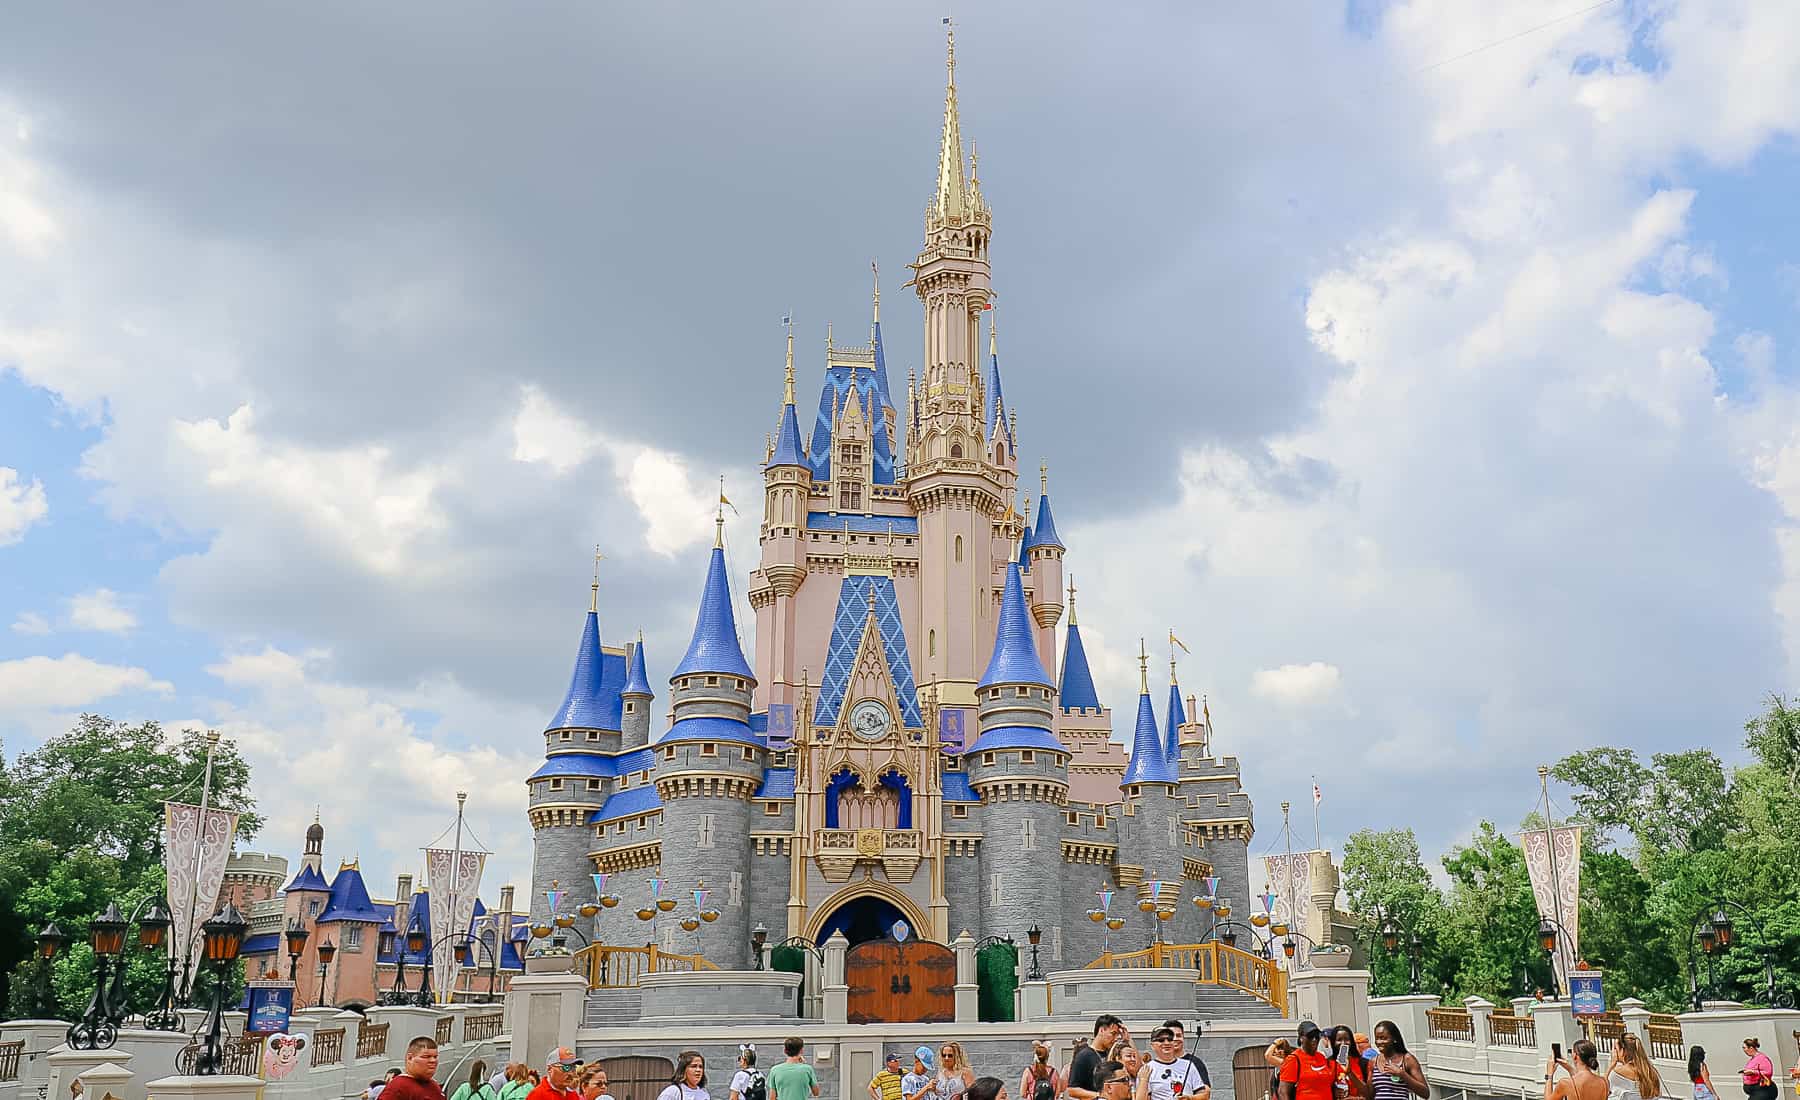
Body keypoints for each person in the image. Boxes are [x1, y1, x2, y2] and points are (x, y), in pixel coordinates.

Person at [1138, 1027, 1206, 1100]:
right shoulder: (1147, 1069)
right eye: (1161, 1040)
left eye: (1170, 1039)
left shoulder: (1189, 1065)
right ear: (1152, 1045)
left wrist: (1190, 1098)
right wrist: (1143, 1080)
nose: (1166, 1043)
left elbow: (1204, 1095)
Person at [1278, 1021, 1339, 1100]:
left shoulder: (1322, 1058)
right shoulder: (1294, 1059)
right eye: (1310, 1036)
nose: (1314, 1039)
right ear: (1301, 1038)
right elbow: (1283, 1092)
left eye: (1317, 1036)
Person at [1070, 1018, 1126, 1100]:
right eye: (1113, 1033)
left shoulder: (1113, 1053)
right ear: (1102, 1030)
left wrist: (1127, 1039)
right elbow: (1072, 1090)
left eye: (1118, 1035)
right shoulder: (1084, 1056)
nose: (1116, 1038)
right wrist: (1100, 1095)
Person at [1371, 1021, 1428, 1100]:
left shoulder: (1407, 1059)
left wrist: (1402, 1074)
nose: (1379, 1042)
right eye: (1377, 1038)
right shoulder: (1374, 1062)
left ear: (1394, 1039)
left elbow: (1425, 1093)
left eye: (1383, 1038)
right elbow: (1369, 1094)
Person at [382, 1038, 448, 1100]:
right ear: (410, 1058)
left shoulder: (435, 1087)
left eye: (435, 1057)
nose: (433, 1061)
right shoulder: (398, 1088)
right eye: (426, 1057)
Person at [1162, 1021, 1212, 1100]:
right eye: (1171, 1036)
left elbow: (1206, 1093)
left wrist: (1190, 1098)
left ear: (1183, 1037)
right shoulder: (1156, 1064)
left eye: (1178, 1035)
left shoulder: (1195, 1062)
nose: (1175, 1039)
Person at [1607, 1034, 1664, 1100]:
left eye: (1615, 1048)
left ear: (1623, 1051)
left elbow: (1601, 1091)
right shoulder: (1651, 1071)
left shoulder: (1617, 1073)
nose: (1612, 1052)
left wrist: (1611, 1065)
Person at [1329, 1027, 1372, 1100]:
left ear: (1351, 1041)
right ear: (1333, 1042)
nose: (1343, 1043)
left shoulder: (1363, 1063)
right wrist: (1333, 1091)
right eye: (1339, 1040)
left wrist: (1349, 1072)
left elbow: (1368, 1093)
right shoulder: (1328, 1063)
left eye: (1346, 1039)